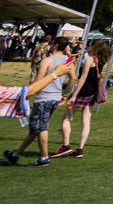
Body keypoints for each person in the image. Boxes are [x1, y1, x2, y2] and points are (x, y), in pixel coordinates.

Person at [5, 37, 75, 167]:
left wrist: (28, 90)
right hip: (55, 98)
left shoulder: (47, 60)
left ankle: (44, 158)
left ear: (56, 45)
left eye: (51, 44)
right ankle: (15, 154)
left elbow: (38, 82)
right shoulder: (68, 61)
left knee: (41, 127)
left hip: (43, 98)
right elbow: (73, 78)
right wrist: (64, 94)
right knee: (36, 128)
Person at [52, 39, 111, 159]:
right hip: (92, 93)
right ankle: (80, 149)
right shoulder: (101, 59)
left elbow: (83, 78)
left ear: (94, 47)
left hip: (83, 92)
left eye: (90, 45)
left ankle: (65, 146)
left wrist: (74, 95)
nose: (88, 46)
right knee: (86, 121)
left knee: (66, 118)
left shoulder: (90, 59)